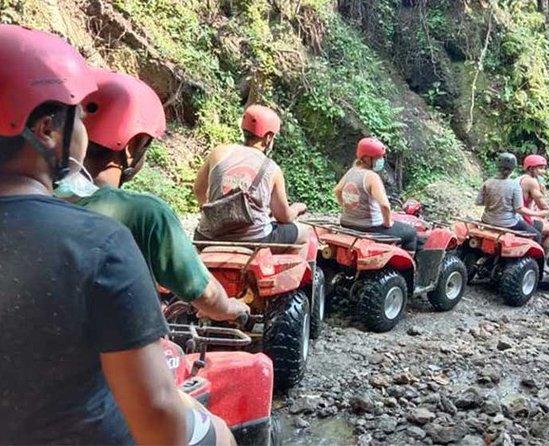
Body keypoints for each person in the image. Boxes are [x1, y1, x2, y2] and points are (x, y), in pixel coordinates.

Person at [0, 25, 187, 445]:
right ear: (46, 129)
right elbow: (159, 419)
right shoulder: (99, 242)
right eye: (79, 116)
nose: (85, 131)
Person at [69, 67, 249, 323]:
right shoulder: (146, 214)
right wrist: (231, 307)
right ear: (132, 147)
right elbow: (206, 295)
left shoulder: (32, 194)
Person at [194, 104, 309, 249]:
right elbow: (283, 216)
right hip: (255, 241)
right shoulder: (272, 168)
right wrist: (297, 208)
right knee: (305, 234)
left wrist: (217, 214)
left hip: (206, 236)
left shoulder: (218, 152)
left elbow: (198, 190)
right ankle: (288, 272)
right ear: (268, 137)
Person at [334, 137, 418, 253]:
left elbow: (337, 191)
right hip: (370, 227)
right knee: (411, 233)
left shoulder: (351, 172)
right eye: (378, 157)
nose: (381, 160)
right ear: (367, 158)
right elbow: (384, 205)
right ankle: (408, 269)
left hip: (346, 223)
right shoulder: (371, 177)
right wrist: (388, 223)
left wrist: (349, 207)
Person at [475, 152, 549, 247]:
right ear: (513, 168)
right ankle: (540, 261)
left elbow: (480, 202)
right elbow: (519, 209)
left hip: (486, 220)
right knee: (537, 236)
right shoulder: (514, 185)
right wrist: (539, 214)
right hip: (508, 223)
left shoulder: (487, 183)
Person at [519, 154, 549, 259]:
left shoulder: (520, 178)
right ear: (531, 168)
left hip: (518, 215)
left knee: (542, 222)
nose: (543, 172)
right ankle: (543, 262)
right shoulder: (532, 182)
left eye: (544, 168)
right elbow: (542, 205)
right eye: (540, 168)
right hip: (524, 218)